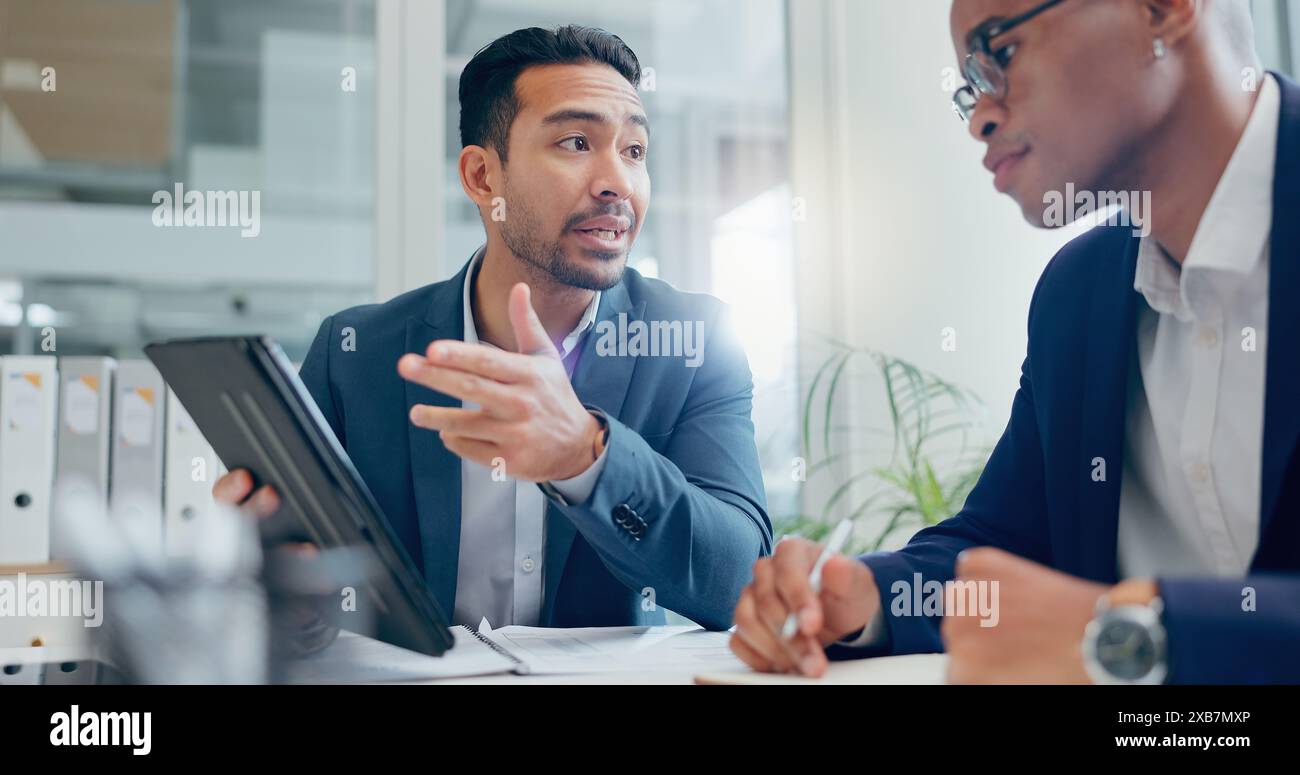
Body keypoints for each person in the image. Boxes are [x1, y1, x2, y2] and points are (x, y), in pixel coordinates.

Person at [731, 0, 1299, 683]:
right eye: (969, 86)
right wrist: (864, 595)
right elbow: (1006, 541)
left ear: (1163, 10)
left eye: (997, 52)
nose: (980, 117)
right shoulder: (1078, 292)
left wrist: (1138, 632)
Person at [215, 25, 771, 634]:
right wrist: (279, 578)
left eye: (634, 151)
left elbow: (741, 583)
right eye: (577, 142)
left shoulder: (694, 341)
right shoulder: (354, 355)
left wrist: (587, 457)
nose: (617, 182)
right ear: (484, 177)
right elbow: (308, 612)